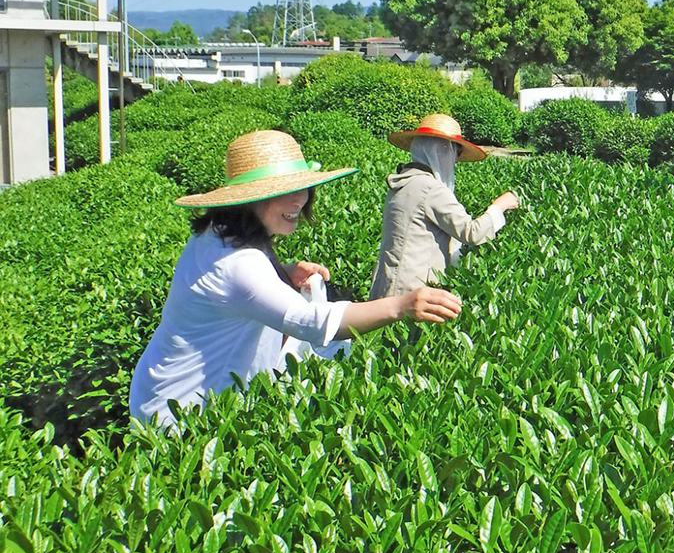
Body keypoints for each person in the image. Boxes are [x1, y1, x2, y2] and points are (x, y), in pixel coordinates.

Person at [129, 130, 461, 428]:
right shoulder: (239, 264)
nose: (299, 201)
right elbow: (311, 322)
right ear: (248, 199)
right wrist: (401, 305)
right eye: (282, 192)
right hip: (181, 412)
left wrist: (282, 273)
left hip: (168, 388)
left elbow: (225, 292)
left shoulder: (218, 234)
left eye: (302, 189)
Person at [370, 114, 520, 299]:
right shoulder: (430, 188)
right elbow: (471, 233)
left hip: (389, 284)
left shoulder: (403, 181)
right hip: (413, 290)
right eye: (455, 153)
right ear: (442, 152)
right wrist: (500, 206)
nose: (455, 161)